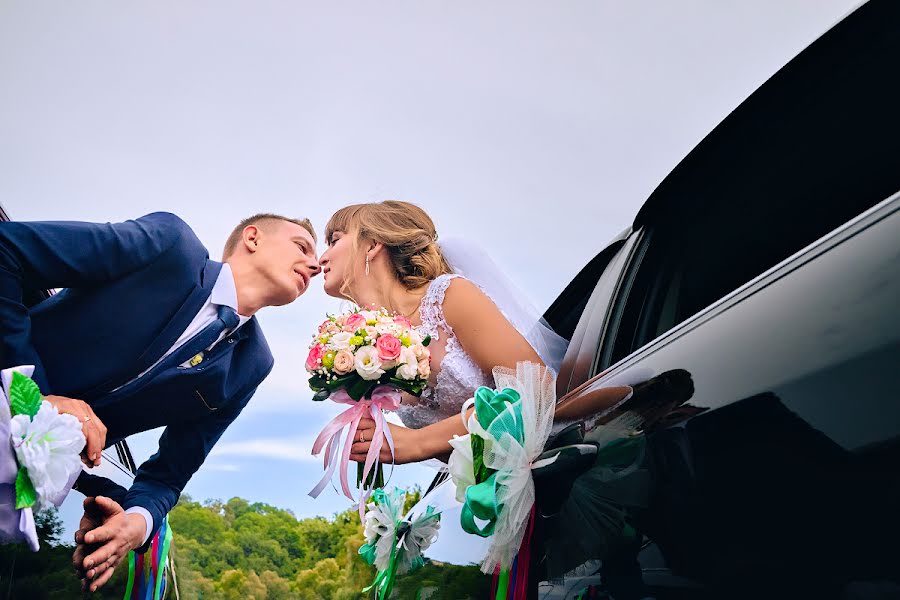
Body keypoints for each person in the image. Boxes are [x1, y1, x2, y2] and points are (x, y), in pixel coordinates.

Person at [0, 211, 320, 591]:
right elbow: (8, 250)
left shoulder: (252, 364)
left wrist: (135, 523)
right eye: (301, 247)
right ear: (252, 238)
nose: (315, 265)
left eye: (316, 261)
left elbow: (169, 475)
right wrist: (34, 395)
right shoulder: (170, 246)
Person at [317, 200, 630, 464]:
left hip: (574, 458)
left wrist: (416, 442)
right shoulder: (371, 348)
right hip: (497, 488)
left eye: (335, 240)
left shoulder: (449, 297)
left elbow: (537, 393)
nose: (322, 257)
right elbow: (457, 453)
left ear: (372, 245)